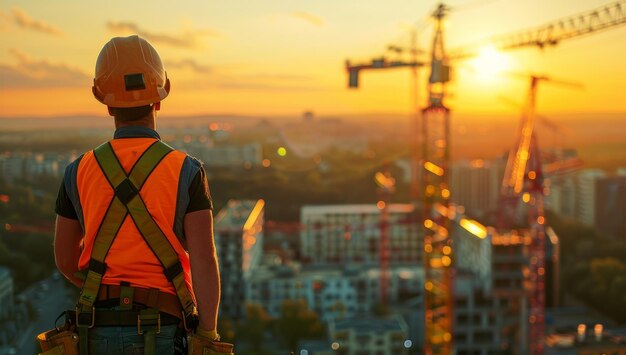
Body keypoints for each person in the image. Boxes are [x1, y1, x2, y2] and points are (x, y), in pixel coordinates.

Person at [54, 35, 221, 354]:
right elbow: (203, 259)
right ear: (163, 93)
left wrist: (103, 289)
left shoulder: (78, 171)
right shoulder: (186, 171)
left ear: (100, 96)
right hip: (162, 327)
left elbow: (65, 260)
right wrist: (207, 332)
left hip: (96, 330)